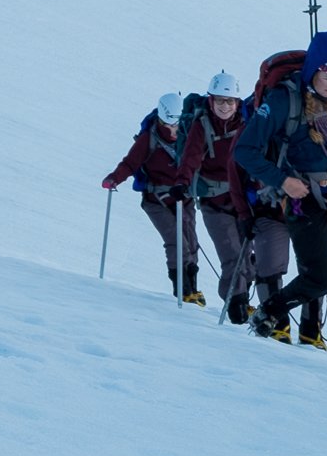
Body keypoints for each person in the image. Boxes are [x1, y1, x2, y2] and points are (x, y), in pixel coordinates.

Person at [235, 33, 327, 351]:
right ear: (313, 69)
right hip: (301, 197)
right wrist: (281, 181)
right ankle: (271, 311)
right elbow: (245, 151)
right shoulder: (283, 100)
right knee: (321, 276)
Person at [103, 93, 201, 302]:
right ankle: (182, 291)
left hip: (184, 198)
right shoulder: (150, 138)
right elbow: (130, 163)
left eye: (177, 126)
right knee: (176, 242)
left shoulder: (190, 133)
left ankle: (193, 289)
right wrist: (114, 178)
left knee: (191, 244)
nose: (174, 132)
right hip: (155, 200)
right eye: (169, 126)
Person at [174, 72, 252, 320]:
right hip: (214, 202)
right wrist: (182, 182)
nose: (225, 106)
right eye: (220, 100)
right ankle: (236, 309)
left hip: (243, 201)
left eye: (230, 101)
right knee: (231, 256)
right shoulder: (202, 125)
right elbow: (191, 157)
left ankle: (243, 300)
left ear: (238, 103)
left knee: (248, 256)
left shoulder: (247, 123)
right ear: (210, 101)